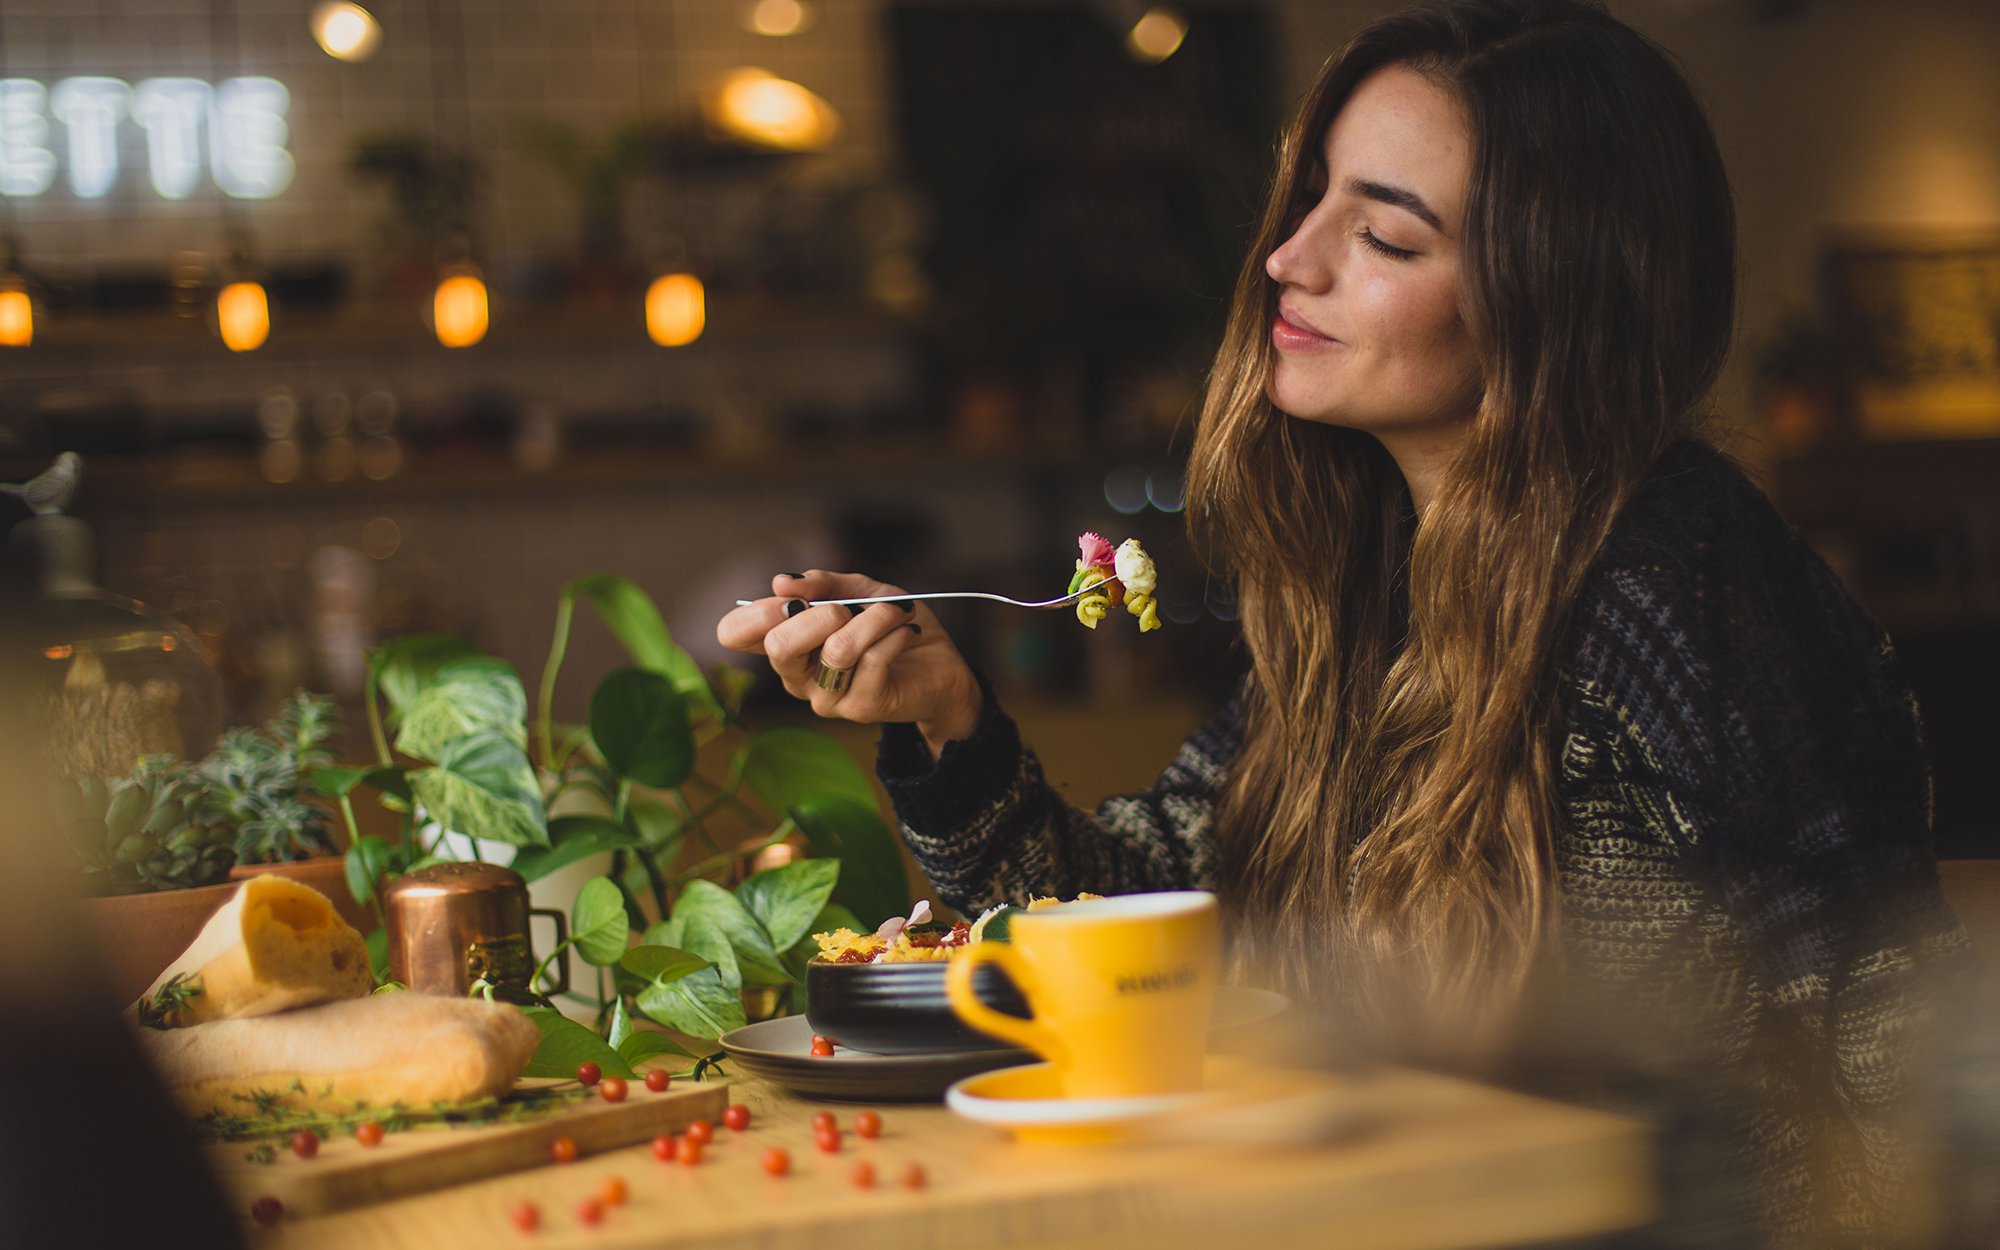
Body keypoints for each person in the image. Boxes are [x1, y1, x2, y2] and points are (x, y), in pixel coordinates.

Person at [718, 2, 1985, 1245]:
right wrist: (952, 721)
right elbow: (1146, 920)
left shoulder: (1675, 583)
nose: (1287, 257)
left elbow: (1876, 1026)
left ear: (1551, 299)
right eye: (1312, 195)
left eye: (1380, 235)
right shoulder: (1384, 589)